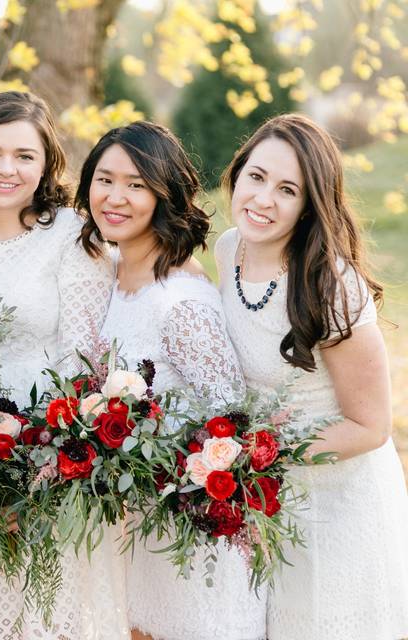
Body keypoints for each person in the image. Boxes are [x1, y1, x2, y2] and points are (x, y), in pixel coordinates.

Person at [0, 90, 128, 639]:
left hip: (48, 454)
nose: (6, 169)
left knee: (53, 608)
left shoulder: (71, 234)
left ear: (46, 164)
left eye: (24, 155)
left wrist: (36, 458)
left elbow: (85, 356)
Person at [216, 113, 408, 639]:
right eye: (256, 177)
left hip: (339, 501)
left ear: (309, 206)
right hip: (266, 499)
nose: (262, 200)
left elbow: (369, 427)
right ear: (237, 174)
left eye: (287, 190)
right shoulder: (228, 248)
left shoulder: (330, 285)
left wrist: (261, 451)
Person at [76, 121, 266, 640]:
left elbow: (228, 424)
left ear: (166, 195)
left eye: (136, 185)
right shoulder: (108, 270)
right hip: (133, 533)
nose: (115, 197)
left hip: (189, 543)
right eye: (104, 179)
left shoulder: (182, 301)